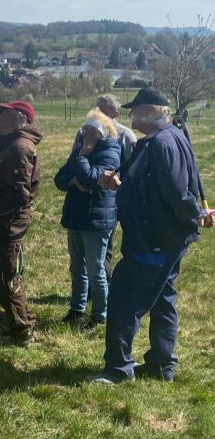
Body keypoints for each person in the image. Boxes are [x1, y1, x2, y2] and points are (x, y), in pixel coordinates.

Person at [89, 87, 215, 385]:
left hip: (154, 241)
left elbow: (175, 192)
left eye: (135, 110)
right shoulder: (165, 138)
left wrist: (196, 214)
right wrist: (121, 185)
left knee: (123, 300)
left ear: (150, 111)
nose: (130, 115)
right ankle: (161, 364)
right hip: (166, 238)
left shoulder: (162, 144)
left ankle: (117, 369)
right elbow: (156, 188)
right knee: (162, 299)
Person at [0, 101, 42, 347]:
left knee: (6, 278)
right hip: (5, 221)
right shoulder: (15, 144)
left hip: (8, 223)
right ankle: (23, 320)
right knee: (6, 274)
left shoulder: (19, 148)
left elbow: (19, 194)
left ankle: (21, 331)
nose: (0, 117)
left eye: (6, 114)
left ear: (21, 120)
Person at [54, 109, 120, 329]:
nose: (86, 133)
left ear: (102, 132)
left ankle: (99, 315)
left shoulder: (110, 152)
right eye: (85, 129)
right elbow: (59, 178)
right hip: (76, 217)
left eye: (91, 130)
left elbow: (91, 178)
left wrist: (83, 156)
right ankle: (76, 309)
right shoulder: (80, 149)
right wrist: (73, 180)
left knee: (95, 269)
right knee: (77, 268)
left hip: (97, 219)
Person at [94, 94, 137, 282]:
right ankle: (86, 287)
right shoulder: (85, 132)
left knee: (104, 245)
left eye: (103, 111)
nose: (98, 114)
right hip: (88, 196)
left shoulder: (126, 135)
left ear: (115, 114)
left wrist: (121, 193)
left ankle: (105, 285)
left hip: (113, 199)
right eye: (96, 109)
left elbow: (132, 169)